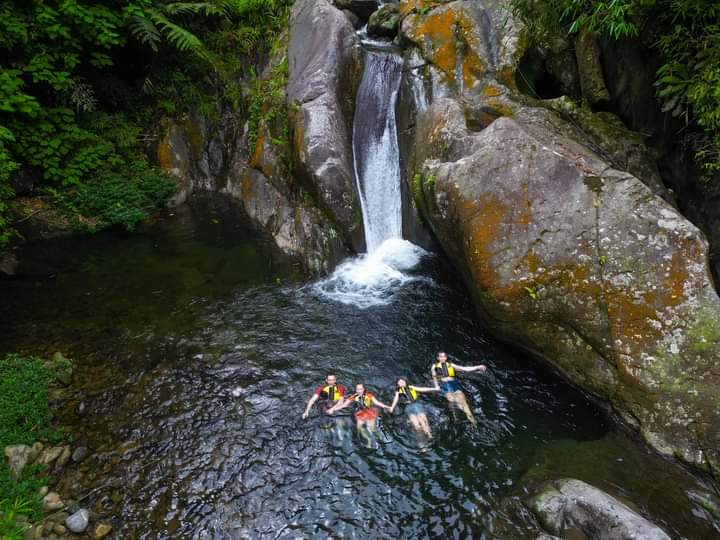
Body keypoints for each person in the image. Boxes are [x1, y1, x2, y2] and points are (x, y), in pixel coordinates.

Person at [431, 351, 486, 425]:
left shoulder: (451, 365)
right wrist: (436, 386)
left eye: (444, 356)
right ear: (438, 358)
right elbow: (434, 377)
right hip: (444, 385)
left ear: (446, 357)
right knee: (453, 401)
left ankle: (473, 421)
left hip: (454, 384)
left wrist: (478, 367)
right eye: (441, 356)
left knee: (463, 403)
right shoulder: (434, 367)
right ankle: (456, 418)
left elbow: (465, 369)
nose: (443, 358)